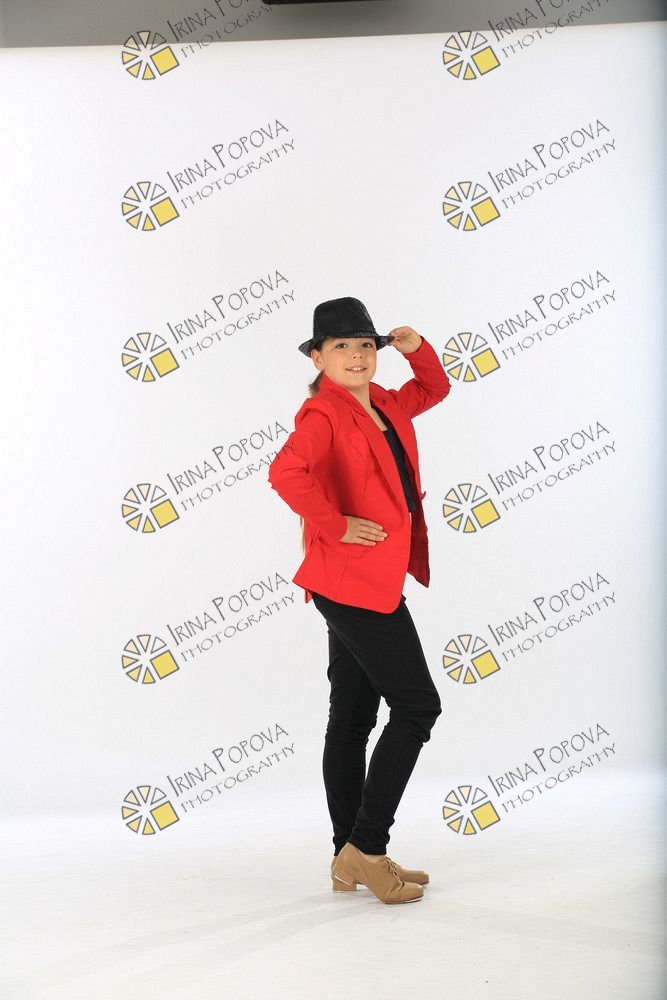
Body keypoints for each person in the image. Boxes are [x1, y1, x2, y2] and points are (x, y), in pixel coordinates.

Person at [268, 296, 451, 904]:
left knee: (351, 718)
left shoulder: (387, 404)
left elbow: (436, 389)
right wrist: (337, 523)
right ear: (318, 358)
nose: (357, 355)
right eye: (342, 346)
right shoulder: (323, 413)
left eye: (366, 345)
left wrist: (417, 350)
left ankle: (346, 856)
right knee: (418, 706)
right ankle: (367, 848)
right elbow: (284, 473)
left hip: (364, 579)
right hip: (352, 582)